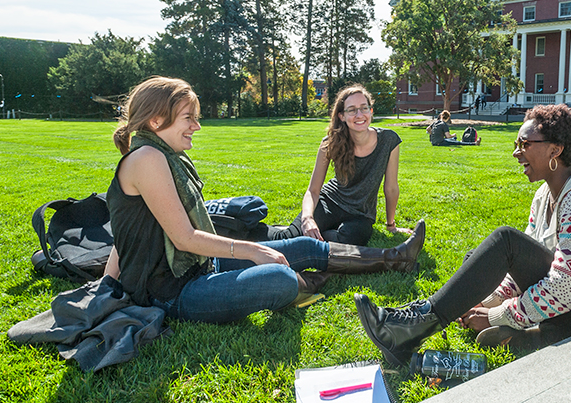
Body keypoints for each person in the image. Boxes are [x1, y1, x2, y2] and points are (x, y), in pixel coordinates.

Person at [104, 77, 426, 323]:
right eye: (189, 117)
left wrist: (106, 285)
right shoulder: (148, 158)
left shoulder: (162, 155)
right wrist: (252, 250)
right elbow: (184, 238)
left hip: (199, 267)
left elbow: (124, 234)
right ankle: (303, 277)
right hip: (172, 291)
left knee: (307, 247)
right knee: (280, 279)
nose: (196, 126)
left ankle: (396, 256)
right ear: (156, 120)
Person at [354, 104, 571, 366]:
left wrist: (497, 314)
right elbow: (526, 266)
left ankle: (412, 327)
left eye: (525, 144)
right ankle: (542, 335)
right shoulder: (545, 194)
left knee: (505, 242)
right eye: (517, 143)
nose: (516, 152)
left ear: (555, 150)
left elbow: (564, 290)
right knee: (478, 265)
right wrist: (485, 300)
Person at [268, 84, 414, 246]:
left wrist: (391, 225)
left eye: (364, 108)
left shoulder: (389, 140)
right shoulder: (330, 143)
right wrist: (308, 218)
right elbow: (313, 190)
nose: (359, 115)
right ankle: (241, 227)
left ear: (371, 111)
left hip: (361, 214)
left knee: (351, 240)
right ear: (341, 116)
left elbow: (391, 188)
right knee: (285, 239)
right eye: (351, 110)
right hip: (330, 202)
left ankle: (316, 235)